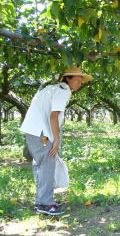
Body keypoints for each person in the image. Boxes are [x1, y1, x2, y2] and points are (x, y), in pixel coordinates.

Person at [20, 66, 93, 215]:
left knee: (41, 164)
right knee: (47, 162)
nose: (79, 84)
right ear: (67, 79)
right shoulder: (63, 91)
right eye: (77, 80)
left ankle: (42, 200)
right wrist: (57, 139)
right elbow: (53, 116)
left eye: (81, 81)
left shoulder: (53, 88)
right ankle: (45, 203)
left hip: (34, 130)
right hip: (41, 133)